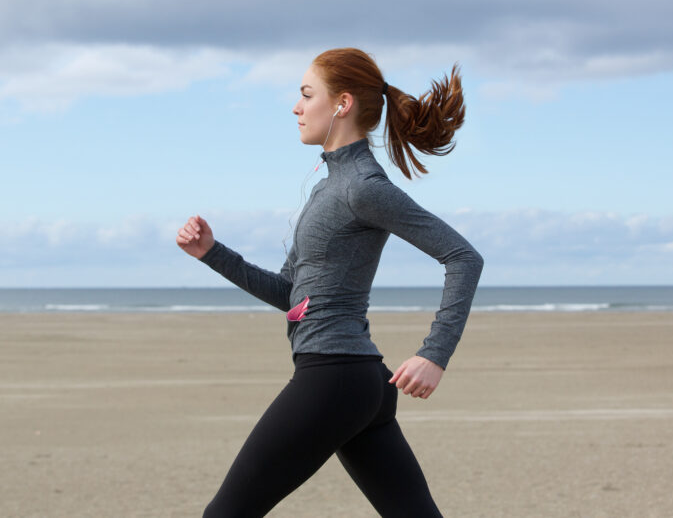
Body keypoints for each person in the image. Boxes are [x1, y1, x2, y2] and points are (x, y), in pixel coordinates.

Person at [176, 47, 484, 518]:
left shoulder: (362, 186)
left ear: (341, 104)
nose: (296, 107)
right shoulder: (328, 188)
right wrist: (213, 254)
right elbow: (291, 296)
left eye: (306, 94)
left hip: (335, 377)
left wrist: (433, 354)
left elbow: (464, 257)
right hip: (359, 383)